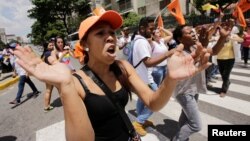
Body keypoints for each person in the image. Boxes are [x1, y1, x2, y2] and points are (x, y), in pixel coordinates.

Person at [13, 9, 210, 141]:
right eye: (100, 33)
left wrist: (170, 78)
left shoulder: (123, 67)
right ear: (85, 45)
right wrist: (64, 85)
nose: (110, 37)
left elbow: (153, 102)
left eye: (112, 32)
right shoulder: (76, 82)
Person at [171, 24, 230, 141]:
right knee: (196, 125)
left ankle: (183, 136)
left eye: (193, 31)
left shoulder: (194, 48)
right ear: (180, 39)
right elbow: (189, 63)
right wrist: (203, 47)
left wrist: (222, 37)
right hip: (183, 92)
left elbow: (214, 51)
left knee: (186, 117)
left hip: (193, 89)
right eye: (189, 32)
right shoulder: (177, 52)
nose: (193, 33)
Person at [41, 41, 55, 112]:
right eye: (50, 45)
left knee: (48, 90)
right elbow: (54, 62)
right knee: (49, 90)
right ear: (46, 47)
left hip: (47, 74)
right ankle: (46, 106)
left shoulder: (44, 54)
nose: (52, 46)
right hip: (51, 74)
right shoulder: (49, 53)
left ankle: (47, 106)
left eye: (52, 45)